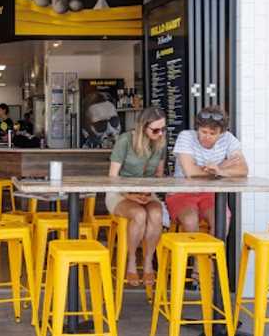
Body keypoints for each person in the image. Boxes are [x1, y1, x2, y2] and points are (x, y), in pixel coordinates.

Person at [106, 107, 168, 287]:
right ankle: (132, 260)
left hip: (147, 192)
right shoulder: (125, 140)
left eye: (163, 129)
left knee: (156, 214)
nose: (160, 133)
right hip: (119, 193)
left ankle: (148, 262)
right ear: (143, 127)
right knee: (139, 215)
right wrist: (129, 194)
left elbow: (159, 176)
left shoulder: (160, 143)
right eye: (155, 130)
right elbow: (113, 176)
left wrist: (148, 193)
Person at [166, 106, 248, 234]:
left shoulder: (228, 139)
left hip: (210, 193)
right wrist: (221, 167)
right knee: (190, 221)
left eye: (212, 133)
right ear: (197, 128)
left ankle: (212, 254)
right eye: (203, 132)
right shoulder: (186, 137)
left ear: (221, 133)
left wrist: (220, 171)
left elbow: (243, 170)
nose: (207, 136)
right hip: (181, 192)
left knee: (223, 220)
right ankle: (193, 254)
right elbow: (190, 173)